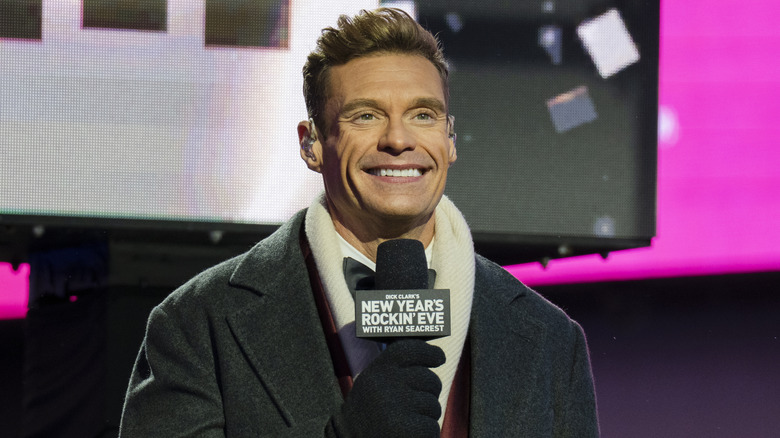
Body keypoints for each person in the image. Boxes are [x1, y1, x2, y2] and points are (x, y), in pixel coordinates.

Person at [120, 8, 598, 437]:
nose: (397, 139)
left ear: (450, 140)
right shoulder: (196, 326)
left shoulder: (549, 340)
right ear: (311, 144)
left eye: (423, 115)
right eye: (366, 115)